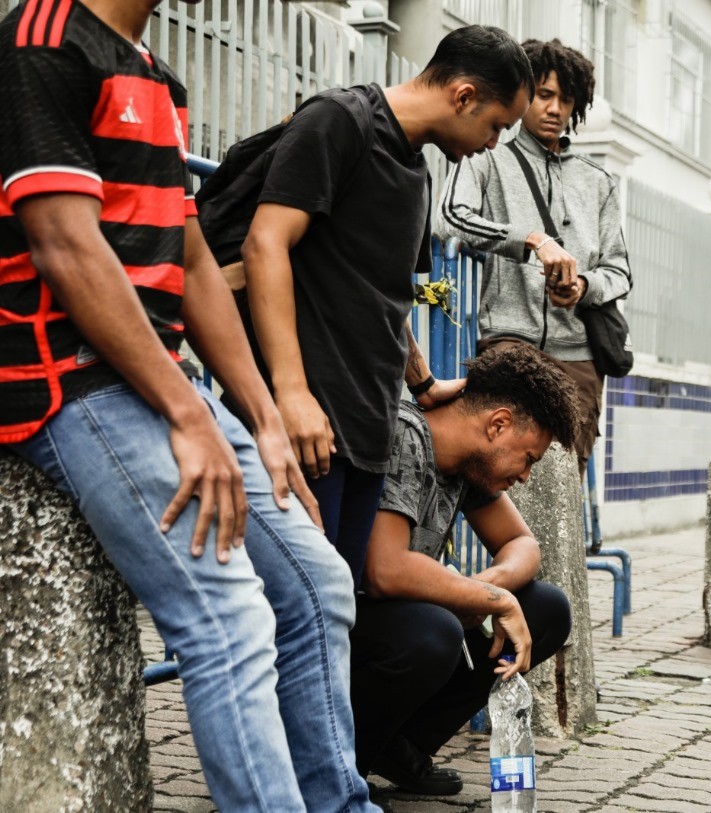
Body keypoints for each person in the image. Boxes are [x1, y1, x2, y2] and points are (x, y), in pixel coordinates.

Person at [0, 0, 375, 809]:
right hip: (70, 379)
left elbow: (196, 260)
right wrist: (188, 412)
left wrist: (264, 420)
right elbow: (63, 241)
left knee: (319, 585)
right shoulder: (42, 41)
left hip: (160, 382)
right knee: (227, 616)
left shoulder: (156, 76)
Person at [238, 25, 534, 587]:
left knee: (339, 611)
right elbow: (265, 244)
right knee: (299, 608)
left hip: (369, 428)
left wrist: (421, 385)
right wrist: (291, 394)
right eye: (497, 125)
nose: (495, 143)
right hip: (312, 422)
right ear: (464, 95)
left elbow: (386, 296)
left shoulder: (417, 172)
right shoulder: (339, 120)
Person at [350, 344, 576, 795]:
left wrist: (483, 587)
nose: (527, 475)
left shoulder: (467, 466)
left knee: (546, 609)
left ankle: (399, 747)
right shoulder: (405, 435)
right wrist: (489, 599)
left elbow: (522, 545)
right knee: (434, 630)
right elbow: (384, 569)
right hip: (343, 628)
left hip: (399, 629)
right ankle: (337, 767)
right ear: (498, 424)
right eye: (528, 458)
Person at [439, 37, 632, 475]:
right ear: (524, 94)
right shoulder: (487, 158)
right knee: (501, 474)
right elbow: (451, 218)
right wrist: (530, 239)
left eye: (567, 99)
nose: (555, 109)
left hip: (578, 355)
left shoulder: (597, 181)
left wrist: (583, 287)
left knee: (563, 483)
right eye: (545, 95)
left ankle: (553, 551)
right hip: (509, 341)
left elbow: (619, 271)